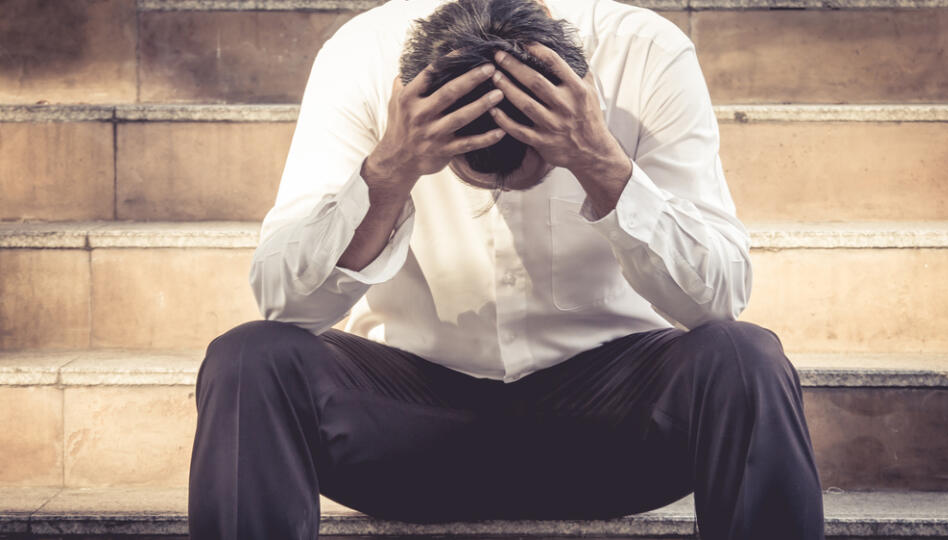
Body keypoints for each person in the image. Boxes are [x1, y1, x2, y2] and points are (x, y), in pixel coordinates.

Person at [188, 0, 826, 538]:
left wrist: (600, 163)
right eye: (472, 164)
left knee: (746, 357)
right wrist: (389, 172)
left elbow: (719, 297)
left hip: (611, 431)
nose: (500, 188)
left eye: (528, 167)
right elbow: (281, 300)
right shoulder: (362, 56)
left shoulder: (646, 52)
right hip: (407, 430)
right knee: (249, 359)